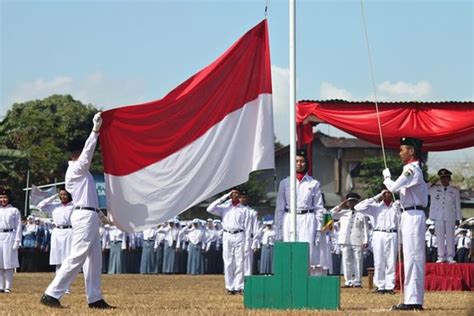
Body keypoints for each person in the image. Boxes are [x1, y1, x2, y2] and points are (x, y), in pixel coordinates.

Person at [40, 112, 114, 309]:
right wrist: (95, 131)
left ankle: (95, 298)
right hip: (83, 215)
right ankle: (52, 293)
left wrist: (101, 216)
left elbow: (88, 199)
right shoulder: (76, 169)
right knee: (77, 256)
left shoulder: (82, 172)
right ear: (78, 152)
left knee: (94, 259)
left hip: (89, 214)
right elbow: (88, 153)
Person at [383, 137, 428, 311]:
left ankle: (414, 300)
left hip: (414, 214)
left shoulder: (412, 169)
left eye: (402, 149)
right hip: (408, 213)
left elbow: (393, 187)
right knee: (409, 256)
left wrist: (387, 178)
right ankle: (411, 297)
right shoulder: (410, 169)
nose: (400, 153)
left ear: (411, 151)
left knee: (414, 257)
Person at [274, 149, 325, 266]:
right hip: (290, 217)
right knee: (289, 249)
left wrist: (318, 229)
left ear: (306, 163)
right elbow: (280, 208)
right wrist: (278, 229)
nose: (299, 164)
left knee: (308, 251)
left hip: (307, 218)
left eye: (302, 161)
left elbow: (319, 208)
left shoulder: (313, 183)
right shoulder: (285, 182)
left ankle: (305, 279)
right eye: (296, 161)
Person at [354, 190, 400, 294]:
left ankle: (389, 286)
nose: (387, 195)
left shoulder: (396, 206)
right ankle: (380, 286)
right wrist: (376, 196)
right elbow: (358, 207)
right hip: (379, 233)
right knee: (379, 261)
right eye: (385, 193)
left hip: (392, 233)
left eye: (389, 192)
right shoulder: (375, 207)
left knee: (391, 261)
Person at [207, 187, 251, 294]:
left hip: (240, 234)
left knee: (240, 262)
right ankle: (229, 286)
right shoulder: (224, 207)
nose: (235, 195)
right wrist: (225, 196)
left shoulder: (244, 209)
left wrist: (248, 241)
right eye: (233, 193)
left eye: (237, 193)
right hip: (227, 234)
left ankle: (239, 286)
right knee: (228, 262)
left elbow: (248, 227)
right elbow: (209, 209)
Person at [330, 193, 369, 288]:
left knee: (358, 260)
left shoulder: (362, 214)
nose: (352, 203)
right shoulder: (343, 213)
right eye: (350, 202)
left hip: (357, 239)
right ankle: (348, 281)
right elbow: (331, 214)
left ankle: (358, 281)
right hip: (345, 239)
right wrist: (341, 205)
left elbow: (365, 228)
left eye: (354, 201)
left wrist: (366, 240)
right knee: (346, 260)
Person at [36, 189, 74, 273]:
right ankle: (58, 277)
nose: (63, 197)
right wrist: (53, 197)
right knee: (57, 257)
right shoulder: (54, 206)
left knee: (68, 256)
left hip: (69, 231)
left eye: (65, 195)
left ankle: (66, 279)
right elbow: (39, 206)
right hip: (57, 231)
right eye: (61, 195)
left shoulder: (73, 206)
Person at [428, 168, 461, 263]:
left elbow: (457, 205)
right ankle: (441, 256)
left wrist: (459, 219)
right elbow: (424, 190)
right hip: (438, 216)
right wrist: (432, 182)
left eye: (446, 178)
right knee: (440, 236)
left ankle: (450, 256)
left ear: (449, 179)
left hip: (450, 216)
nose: (444, 180)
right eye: (442, 178)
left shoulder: (454, 191)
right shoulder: (434, 189)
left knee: (450, 236)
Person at [0, 188, 22, 293]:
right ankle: (0, 286)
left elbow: (18, 226)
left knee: (8, 262)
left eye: (5, 197)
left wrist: (17, 240)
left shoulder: (14, 210)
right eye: (1, 197)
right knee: (0, 263)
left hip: (9, 235)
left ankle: (8, 287)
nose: (3, 199)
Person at [240, 191, 258, 276]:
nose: (242, 199)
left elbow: (255, 228)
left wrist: (255, 243)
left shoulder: (252, 212)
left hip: (248, 238)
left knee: (247, 260)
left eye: (244, 197)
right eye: (241, 197)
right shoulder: (234, 210)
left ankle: (247, 279)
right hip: (237, 236)